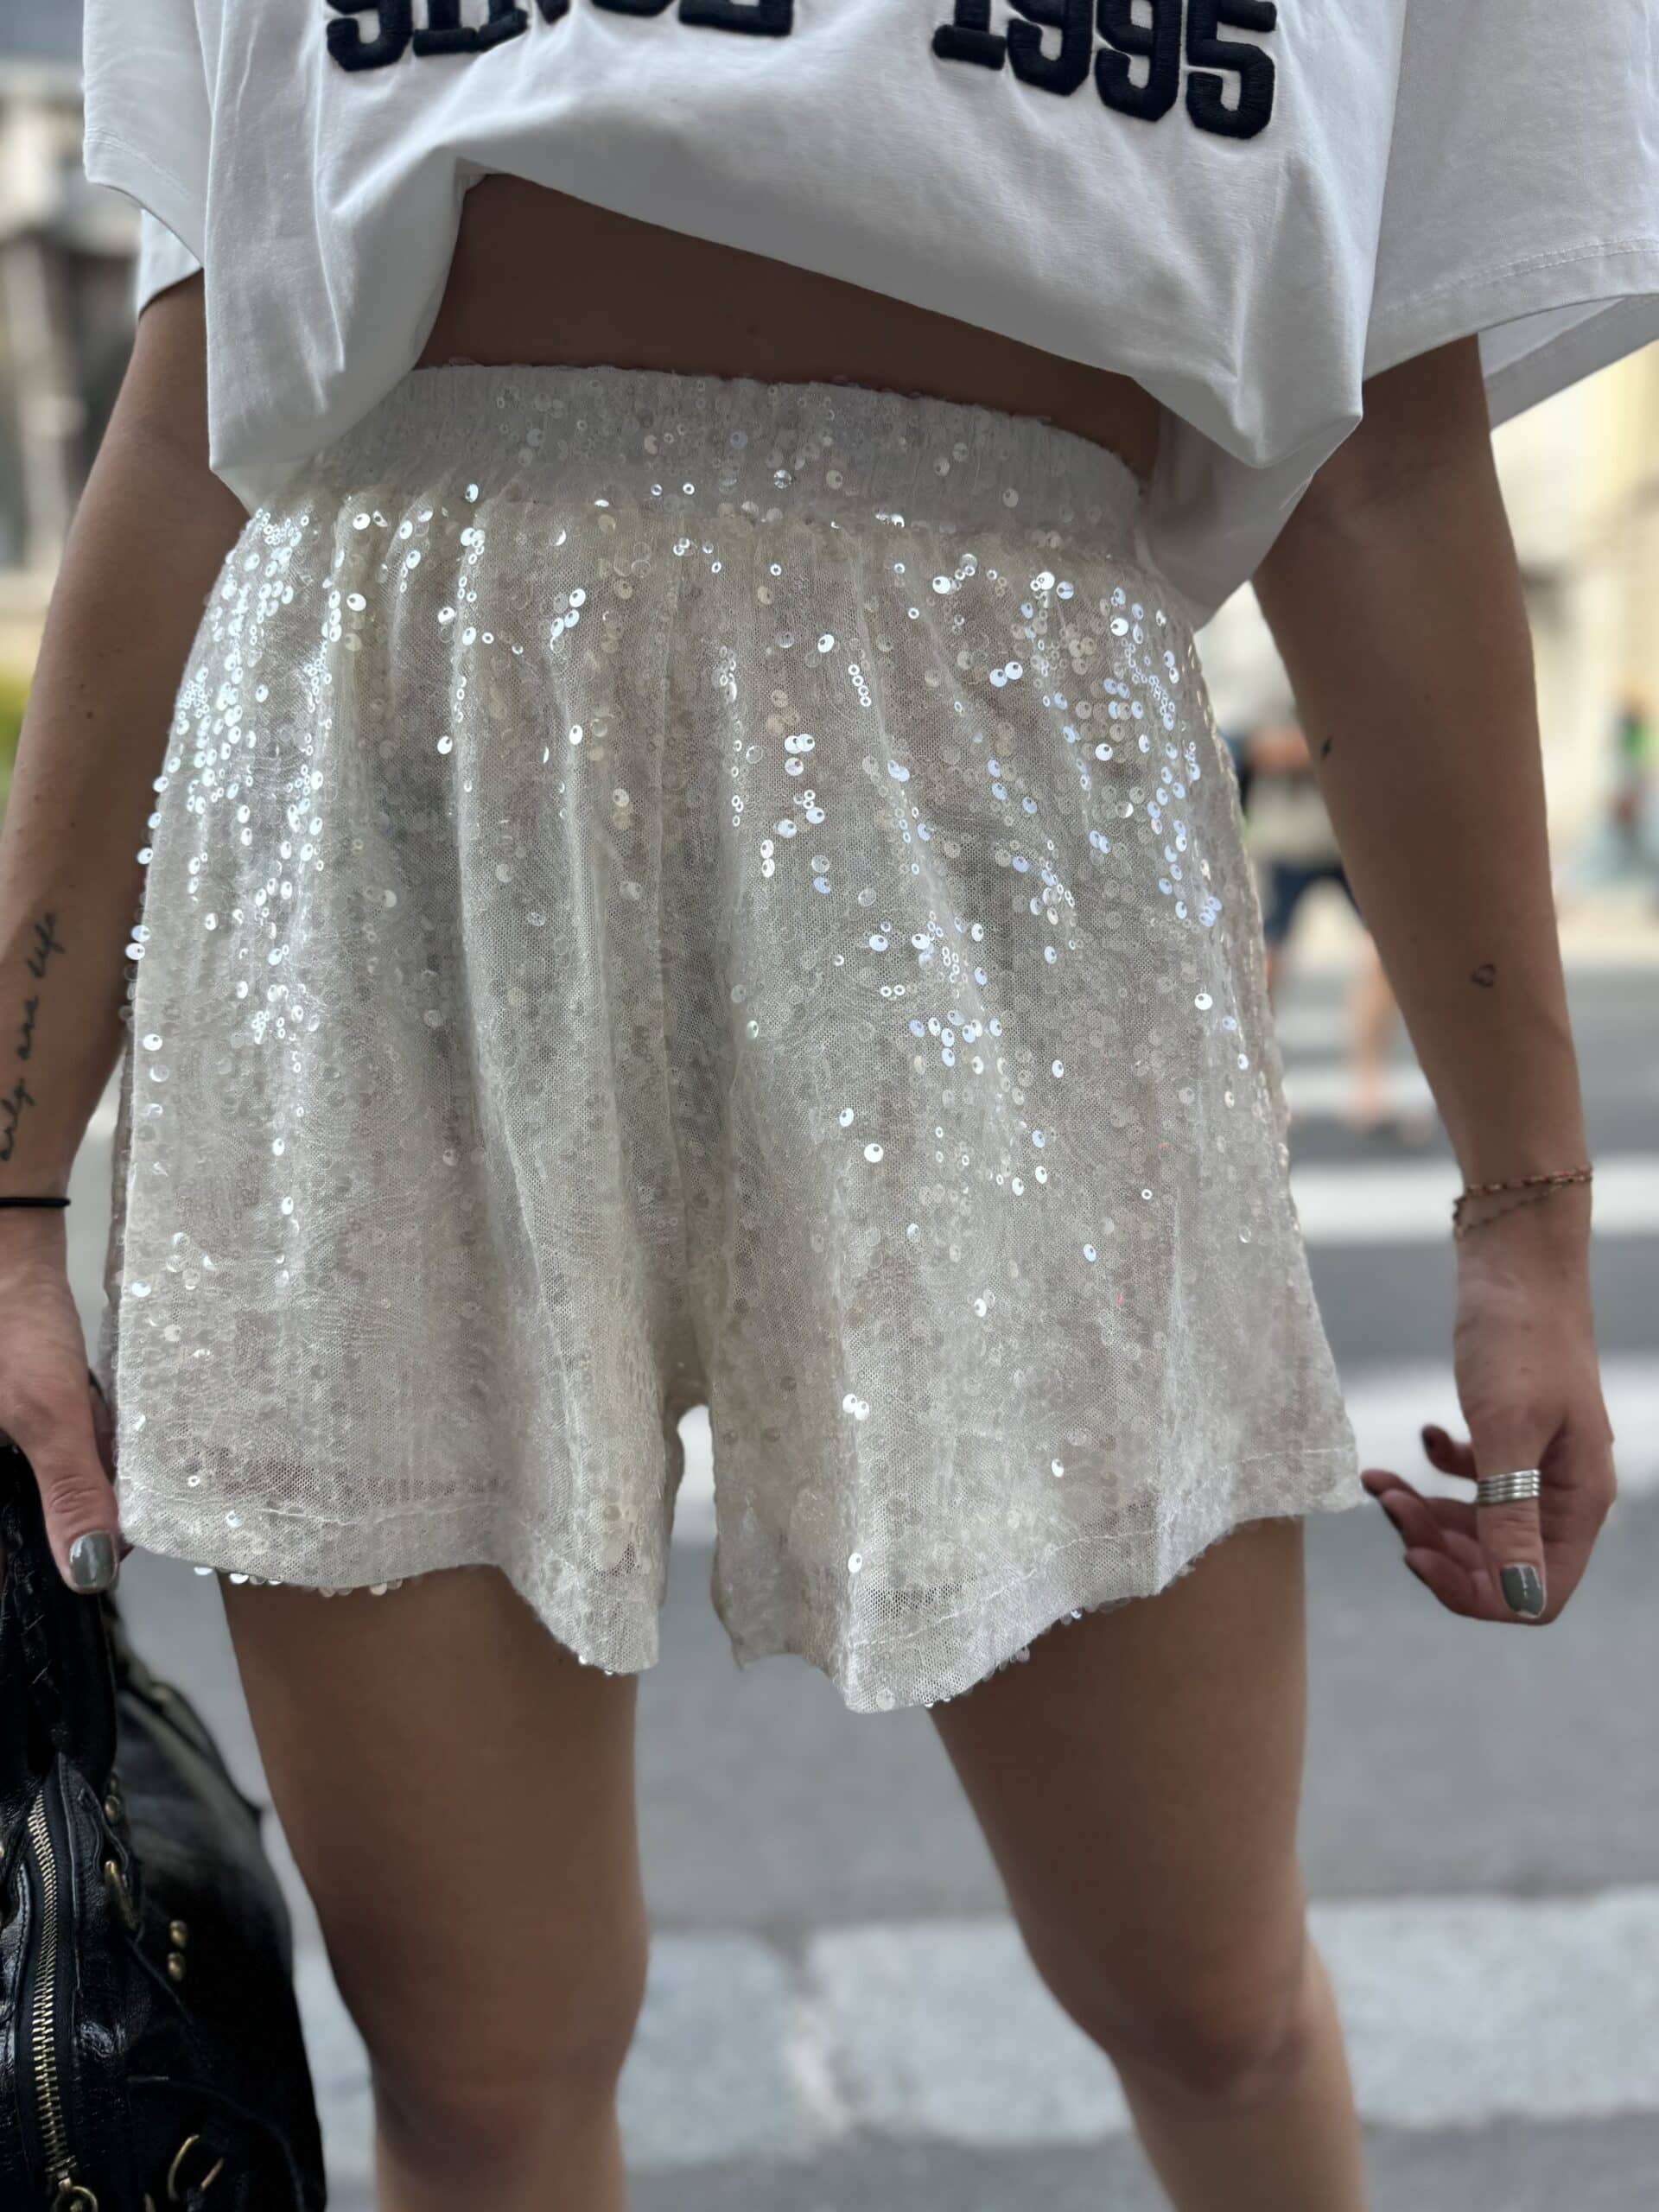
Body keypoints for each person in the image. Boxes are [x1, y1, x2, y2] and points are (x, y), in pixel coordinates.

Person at [0, 7, 1643, 2209]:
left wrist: (1527, 1203)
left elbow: (1387, 456)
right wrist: (8, 1197)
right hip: (389, 777)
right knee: (479, 2069)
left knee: (1206, 1991)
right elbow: (195, 391)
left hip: (1001, 786)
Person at [1244, 711, 1431, 1141]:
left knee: (1385, 955)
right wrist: (1330, 743)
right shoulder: (1264, 679)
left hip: (1356, 835)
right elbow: (1258, 743)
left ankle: (1369, 1084)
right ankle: (1259, 1085)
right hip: (1287, 838)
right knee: (1265, 963)